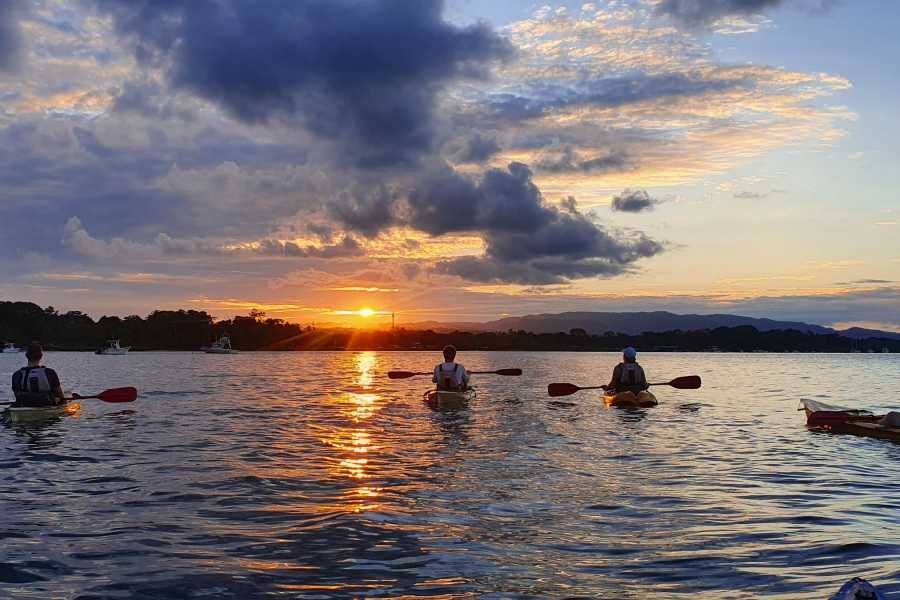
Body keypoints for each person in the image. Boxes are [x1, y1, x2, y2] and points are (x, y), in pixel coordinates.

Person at [11, 342, 65, 406]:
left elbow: (17, 394)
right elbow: (60, 395)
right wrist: (63, 401)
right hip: (47, 404)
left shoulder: (16, 375)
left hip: (24, 405)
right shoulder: (50, 372)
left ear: (26, 356)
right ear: (41, 356)